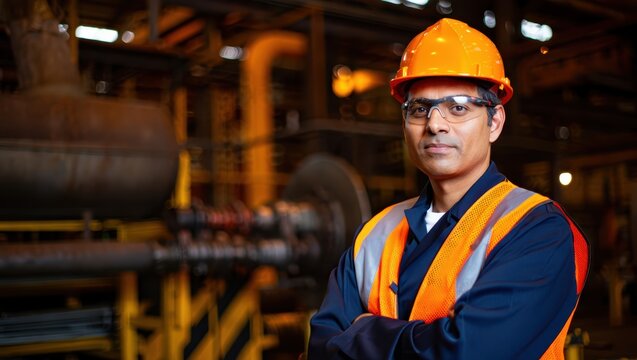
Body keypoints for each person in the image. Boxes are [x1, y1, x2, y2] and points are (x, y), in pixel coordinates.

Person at [308, 18, 590, 359]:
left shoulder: (538, 230)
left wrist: (364, 332)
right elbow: (321, 348)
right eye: (419, 109)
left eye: (457, 108)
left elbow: (470, 352)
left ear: (494, 122)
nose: (435, 125)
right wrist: (431, 339)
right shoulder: (374, 235)